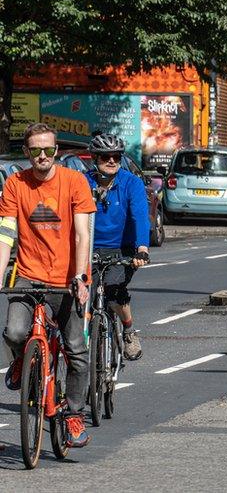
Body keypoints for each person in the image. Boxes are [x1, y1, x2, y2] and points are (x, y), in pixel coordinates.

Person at [0, 122, 96, 447]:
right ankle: (19, 363)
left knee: (76, 351)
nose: (43, 156)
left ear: (57, 151)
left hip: (67, 278)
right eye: (36, 150)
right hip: (28, 274)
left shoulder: (75, 181)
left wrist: (80, 276)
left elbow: (82, 234)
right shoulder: (15, 184)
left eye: (49, 149)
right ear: (26, 152)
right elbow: (6, 235)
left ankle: (73, 415)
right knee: (13, 332)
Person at [85, 133, 150, 361]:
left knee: (113, 291)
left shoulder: (131, 183)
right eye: (105, 156)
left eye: (116, 156)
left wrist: (142, 248)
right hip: (88, 249)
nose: (111, 161)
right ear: (95, 158)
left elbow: (140, 217)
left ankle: (129, 330)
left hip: (122, 250)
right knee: (80, 297)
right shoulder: (84, 182)